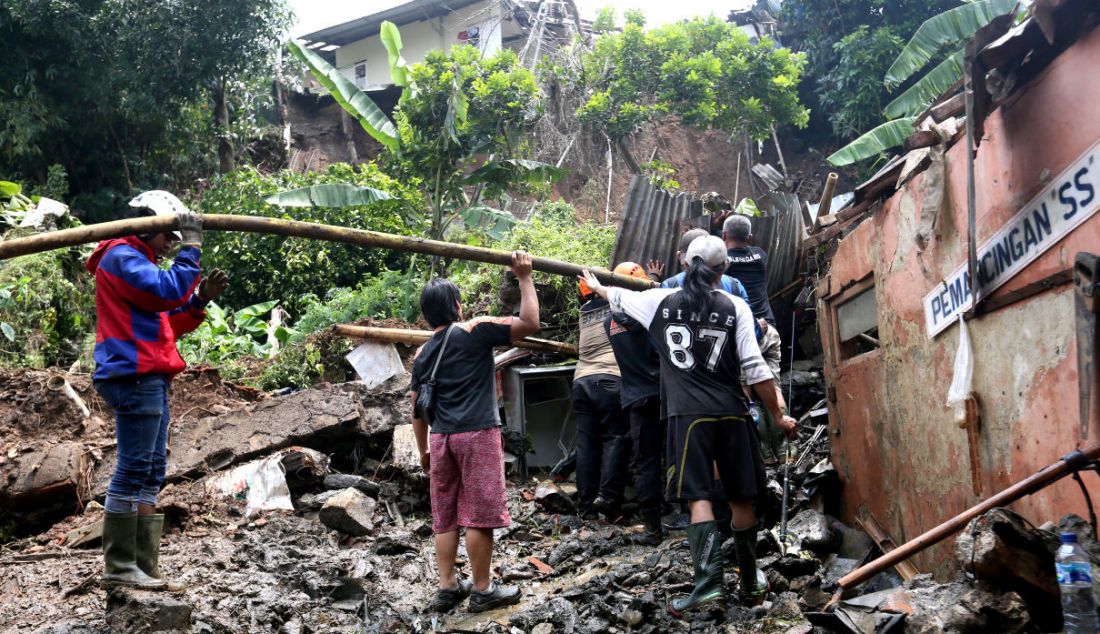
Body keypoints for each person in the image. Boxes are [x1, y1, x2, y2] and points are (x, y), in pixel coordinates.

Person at [580, 235, 797, 614]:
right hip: (732, 411)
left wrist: (598, 286)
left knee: (700, 497)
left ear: (684, 263)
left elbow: (616, 297)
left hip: (687, 416)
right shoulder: (736, 306)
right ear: (724, 269)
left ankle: (709, 585)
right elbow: (755, 367)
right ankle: (749, 582)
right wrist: (777, 414)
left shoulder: (659, 302)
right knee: (740, 496)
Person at [87, 191, 229, 590]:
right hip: (135, 375)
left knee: (150, 471)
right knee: (133, 469)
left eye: (175, 235)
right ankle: (119, 566)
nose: (171, 242)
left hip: (150, 375)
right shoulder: (121, 257)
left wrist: (198, 298)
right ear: (146, 225)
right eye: (167, 233)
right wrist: (193, 248)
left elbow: (169, 323)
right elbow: (166, 292)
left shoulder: (140, 263)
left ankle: (144, 565)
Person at [409, 252, 540, 613]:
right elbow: (530, 322)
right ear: (457, 305)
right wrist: (524, 277)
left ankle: (448, 586)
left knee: (446, 514)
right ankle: (482, 589)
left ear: (425, 314)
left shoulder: (421, 354)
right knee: (479, 513)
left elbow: (418, 410)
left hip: (440, 439)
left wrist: (423, 451)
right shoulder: (474, 329)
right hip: (477, 433)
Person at [604, 262, 664, 545]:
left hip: (636, 398)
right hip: (666, 393)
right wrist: (653, 279)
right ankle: (688, 516)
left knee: (647, 462)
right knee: (678, 455)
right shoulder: (650, 316)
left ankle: (653, 527)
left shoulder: (610, 322)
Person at [722, 215, 787, 462]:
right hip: (768, 329)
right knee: (774, 388)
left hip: (744, 334)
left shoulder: (723, 263)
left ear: (724, 236)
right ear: (749, 238)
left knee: (746, 392)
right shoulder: (760, 255)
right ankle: (784, 451)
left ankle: (765, 455)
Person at [572, 272, 629, 519]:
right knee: (615, 437)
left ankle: (585, 506)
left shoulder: (584, 311)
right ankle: (608, 499)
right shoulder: (617, 303)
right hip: (609, 378)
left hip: (581, 381)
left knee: (587, 443)